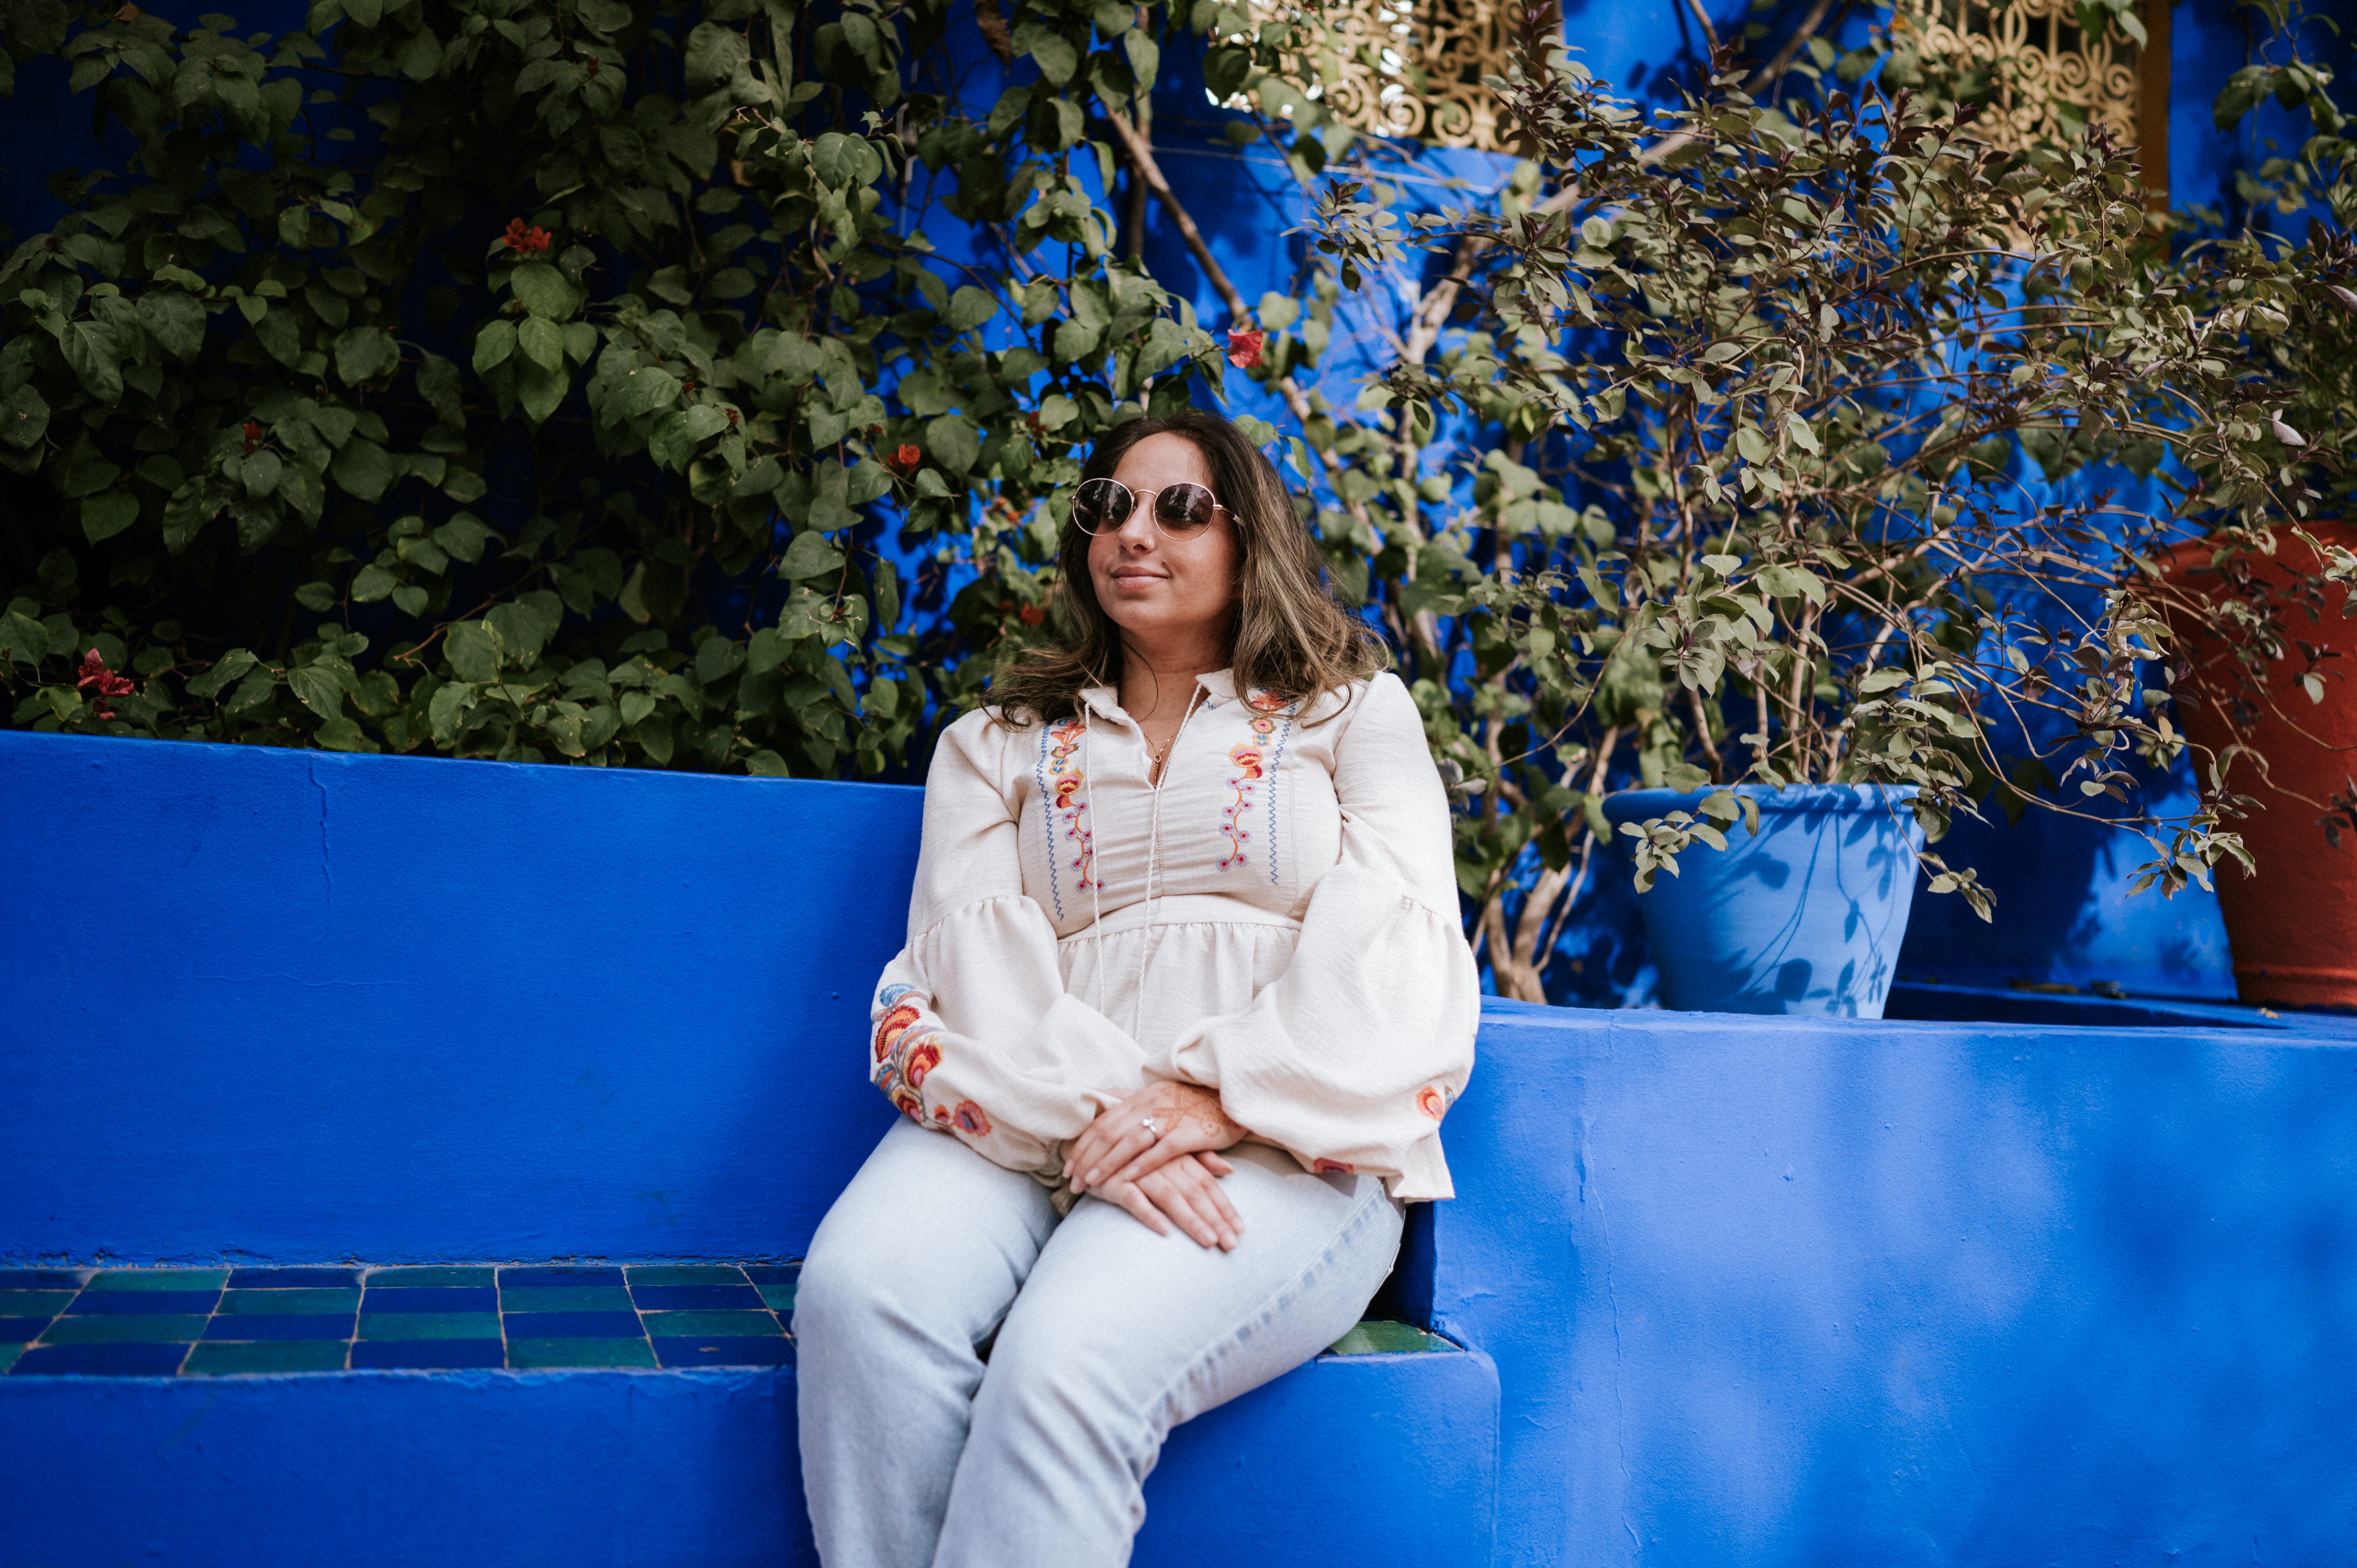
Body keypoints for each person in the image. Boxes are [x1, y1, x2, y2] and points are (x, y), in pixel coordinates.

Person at [793, 408, 1479, 1568]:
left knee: (1066, 1367)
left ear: (1248, 535)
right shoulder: (996, 742)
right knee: (861, 1300)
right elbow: (969, 958)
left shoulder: (1354, 714)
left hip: (1278, 1137)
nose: (1134, 532)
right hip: (1027, 1108)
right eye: (1108, 506)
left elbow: (1401, 955)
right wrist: (1117, 1115)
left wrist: (1213, 1100)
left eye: (1179, 508)